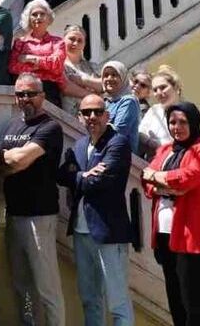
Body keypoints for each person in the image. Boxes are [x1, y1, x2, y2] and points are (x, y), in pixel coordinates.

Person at [142, 102, 200, 326]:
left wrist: (157, 178)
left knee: (196, 305)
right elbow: (145, 180)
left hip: (191, 237)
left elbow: (186, 178)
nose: (176, 127)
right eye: (172, 122)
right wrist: (165, 186)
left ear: (194, 123)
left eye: (183, 122)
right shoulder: (165, 150)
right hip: (164, 234)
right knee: (176, 301)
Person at [0, 73, 66, 326]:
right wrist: (10, 161)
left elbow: (19, 160)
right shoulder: (12, 126)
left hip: (40, 216)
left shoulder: (50, 127)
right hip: (14, 215)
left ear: (42, 96)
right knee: (22, 285)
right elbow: (1, 166)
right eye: (21, 94)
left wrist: (8, 159)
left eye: (31, 94)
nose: (25, 98)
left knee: (47, 287)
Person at [59, 93, 134, 326]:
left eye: (98, 112)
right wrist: (83, 175)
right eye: (86, 112)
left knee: (117, 302)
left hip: (108, 232)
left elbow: (99, 181)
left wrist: (78, 177)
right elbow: (61, 175)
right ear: (79, 117)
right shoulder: (80, 145)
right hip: (81, 231)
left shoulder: (118, 143)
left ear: (107, 116)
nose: (92, 116)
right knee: (90, 298)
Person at [8, 0, 66, 106]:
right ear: (28, 19)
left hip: (49, 90)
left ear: (49, 18)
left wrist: (30, 59)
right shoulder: (20, 42)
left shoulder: (58, 42)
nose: (38, 17)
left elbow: (57, 65)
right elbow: (13, 67)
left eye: (42, 14)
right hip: (25, 90)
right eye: (34, 14)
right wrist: (45, 65)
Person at [139, 65, 183, 160]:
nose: (158, 93)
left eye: (163, 87)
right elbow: (140, 134)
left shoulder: (186, 114)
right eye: (155, 90)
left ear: (175, 87)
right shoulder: (153, 110)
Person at [100, 60, 141, 154]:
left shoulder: (129, 101)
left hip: (119, 155)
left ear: (123, 78)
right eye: (106, 75)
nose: (109, 79)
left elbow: (118, 132)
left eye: (114, 75)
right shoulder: (104, 102)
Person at [61, 26, 103, 104]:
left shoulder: (93, 67)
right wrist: (93, 96)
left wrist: (83, 80)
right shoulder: (58, 65)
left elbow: (104, 85)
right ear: (63, 40)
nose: (75, 43)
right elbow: (65, 88)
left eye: (80, 41)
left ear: (84, 44)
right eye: (72, 39)